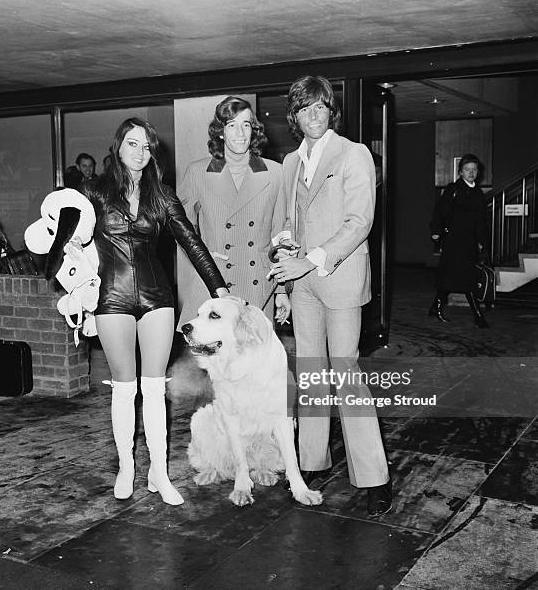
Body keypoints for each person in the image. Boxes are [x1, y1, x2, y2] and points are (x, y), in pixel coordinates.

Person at [79, 117, 228, 505]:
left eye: (147, 146)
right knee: (124, 388)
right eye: (132, 144)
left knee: (154, 387)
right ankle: (127, 467)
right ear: (118, 146)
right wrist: (73, 291)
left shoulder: (162, 195)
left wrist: (220, 288)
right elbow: (68, 244)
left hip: (156, 297)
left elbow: (192, 242)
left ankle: (158, 472)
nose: (140, 153)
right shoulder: (94, 192)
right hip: (111, 298)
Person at [269, 75, 391, 517]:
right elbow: (289, 222)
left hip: (338, 279)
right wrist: (284, 267)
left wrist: (311, 259)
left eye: (319, 107)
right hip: (302, 286)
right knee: (312, 373)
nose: (312, 115)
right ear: (295, 117)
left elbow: (360, 223)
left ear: (330, 110)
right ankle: (312, 462)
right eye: (304, 109)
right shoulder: (288, 162)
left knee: (346, 373)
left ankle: (374, 476)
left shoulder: (354, 154)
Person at [177, 96, 290, 327]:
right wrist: (204, 255)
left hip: (257, 283)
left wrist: (281, 291)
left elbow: (280, 236)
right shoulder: (198, 172)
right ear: (221, 132)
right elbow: (181, 230)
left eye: (246, 125)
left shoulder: (276, 173)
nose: (240, 133)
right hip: (215, 280)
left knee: (255, 357)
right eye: (232, 125)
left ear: (254, 130)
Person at [429, 153, 489, 328]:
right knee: (460, 276)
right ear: (460, 172)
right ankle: (478, 315)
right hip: (453, 241)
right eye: (467, 169)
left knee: (458, 276)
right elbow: (440, 212)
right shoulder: (453, 189)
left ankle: (436, 306)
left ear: (478, 172)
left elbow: (481, 221)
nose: (471, 172)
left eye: (474, 169)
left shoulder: (478, 193)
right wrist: (436, 232)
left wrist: (481, 241)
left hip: (469, 242)